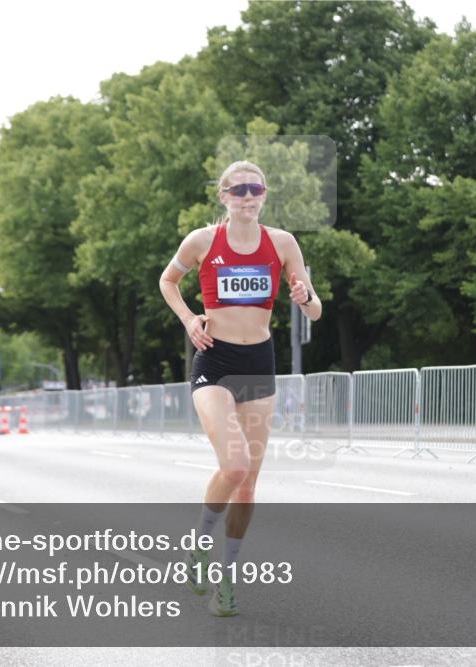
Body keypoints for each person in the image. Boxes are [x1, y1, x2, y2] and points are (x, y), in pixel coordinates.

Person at [158, 161, 321, 616]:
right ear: (224, 196)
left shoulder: (283, 243)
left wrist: (305, 297)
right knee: (234, 466)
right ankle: (199, 545)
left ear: (265, 194)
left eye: (257, 189)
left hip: (259, 364)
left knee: (248, 487)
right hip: (215, 360)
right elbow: (168, 281)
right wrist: (190, 319)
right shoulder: (202, 241)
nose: (249, 197)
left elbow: (316, 309)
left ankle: (226, 580)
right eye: (240, 190)